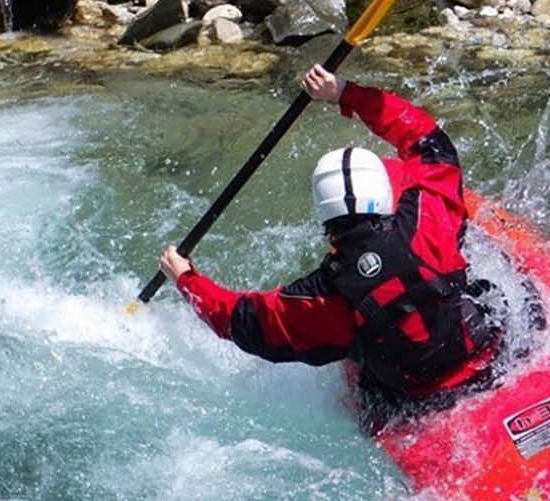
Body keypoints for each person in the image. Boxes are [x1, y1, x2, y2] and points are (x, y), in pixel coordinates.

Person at [158, 65, 501, 432]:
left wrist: (185, 278)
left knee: (355, 351)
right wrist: (345, 92)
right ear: (386, 195)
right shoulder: (427, 215)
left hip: (412, 400)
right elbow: (428, 140)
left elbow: (238, 320)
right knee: (486, 288)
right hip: (486, 356)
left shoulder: (321, 297)